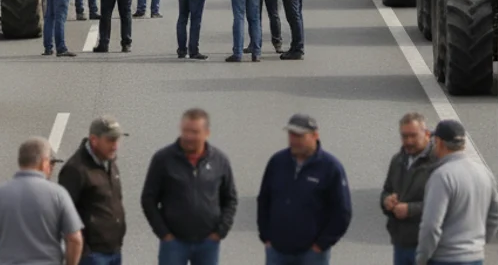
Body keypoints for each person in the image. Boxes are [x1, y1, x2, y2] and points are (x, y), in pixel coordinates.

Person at [142, 109, 238, 265]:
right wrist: (164, 234)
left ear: (207, 133)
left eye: (194, 132)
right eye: (185, 131)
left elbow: (230, 199)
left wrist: (220, 232)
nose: (188, 137)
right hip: (173, 243)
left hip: (208, 244)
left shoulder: (219, 161)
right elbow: (148, 199)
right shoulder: (163, 159)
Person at [257, 114, 352, 265]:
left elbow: (342, 212)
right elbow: (264, 200)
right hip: (277, 251)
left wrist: (321, 244)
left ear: (315, 135)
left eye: (299, 136)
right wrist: (266, 236)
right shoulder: (277, 162)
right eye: (291, 135)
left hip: (312, 255)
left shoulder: (330, 167)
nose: (294, 140)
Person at [0, 137, 83, 265]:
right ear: (44, 163)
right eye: (51, 164)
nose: (52, 169)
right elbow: (75, 239)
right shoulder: (58, 194)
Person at [414, 120, 498, 265]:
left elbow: (431, 226)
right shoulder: (483, 172)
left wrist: (421, 259)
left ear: (439, 142)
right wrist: (477, 245)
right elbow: (497, 215)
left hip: (444, 259)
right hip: (475, 258)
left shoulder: (441, 176)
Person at [59, 117, 129, 265]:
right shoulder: (75, 169)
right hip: (92, 256)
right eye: (110, 140)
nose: (115, 146)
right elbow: (64, 214)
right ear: (94, 140)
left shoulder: (109, 162)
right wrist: (82, 250)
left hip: (114, 250)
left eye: (117, 140)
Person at [382, 113, 438, 265]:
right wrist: (387, 201)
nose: (409, 141)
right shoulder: (398, 160)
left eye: (413, 136)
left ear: (427, 134)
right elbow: (387, 189)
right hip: (401, 243)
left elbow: (444, 204)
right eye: (404, 136)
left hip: (429, 247)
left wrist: (410, 209)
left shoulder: (438, 163)